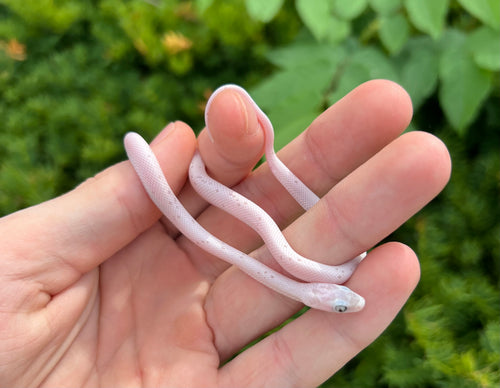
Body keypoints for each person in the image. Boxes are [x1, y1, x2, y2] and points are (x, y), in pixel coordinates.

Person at [0, 80, 451, 387]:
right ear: (313, 296)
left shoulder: (313, 276)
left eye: (337, 304)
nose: (344, 302)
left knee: (208, 179)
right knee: (196, 171)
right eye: (338, 302)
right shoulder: (302, 276)